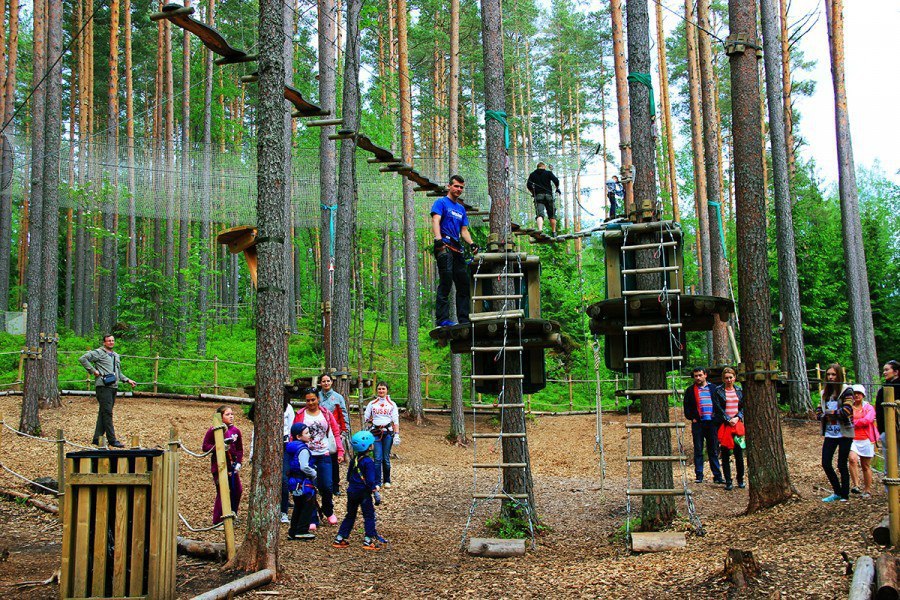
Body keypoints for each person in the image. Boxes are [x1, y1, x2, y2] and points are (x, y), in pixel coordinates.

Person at [293, 388, 344, 526]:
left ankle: (328, 511)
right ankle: (312, 517)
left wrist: (340, 451)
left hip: (324, 453)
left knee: (327, 486)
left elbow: (335, 431)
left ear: (318, 399)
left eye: (313, 399)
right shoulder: (300, 415)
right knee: (309, 487)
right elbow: (295, 434)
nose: (310, 403)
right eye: (308, 400)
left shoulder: (326, 413)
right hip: (307, 455)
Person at [431, 175, 478, 328]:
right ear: (449, 186)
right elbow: (436, 220)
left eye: (461, 187)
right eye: (456, 186)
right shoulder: (441, 202)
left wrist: (471, 243)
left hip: (457, 248)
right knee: (446, 282)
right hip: (444, 245)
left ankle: (464, 320)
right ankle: (442, 320)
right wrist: (438, 239)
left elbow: (463, 230)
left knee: (463, 284)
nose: (459, 189)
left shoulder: (461, 209)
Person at [79, 334, 137, 448]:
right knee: (108, 413)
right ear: (104, 342)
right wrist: (93, 371)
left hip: (113, 387)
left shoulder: (116, 355)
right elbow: (82, 359)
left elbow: (118, 373)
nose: (111, 342)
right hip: (103, 386)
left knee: (104, 412)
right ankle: (112, 440)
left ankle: (97, 438)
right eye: (109, 341)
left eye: (112, 340)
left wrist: (127, 380)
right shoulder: (98, 353)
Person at [333, 431, 385, 551]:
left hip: (352, 491)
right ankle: (368, 540)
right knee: (369, 515)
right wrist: (375, 488)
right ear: (367, 446)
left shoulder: (354, 460)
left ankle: (340, 538)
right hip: (364, 493)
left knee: (350, 515)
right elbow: (371, 479)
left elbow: (348, 476)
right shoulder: (368, 462)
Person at [201, 406, 244, 524]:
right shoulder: (214, 430)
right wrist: (218, 447)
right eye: (227, 414)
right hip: (219, 465)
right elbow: (205, 446)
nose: (231, 416)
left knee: (237, 490)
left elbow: (239, 449)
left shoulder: (236, 431)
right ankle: (217, 520)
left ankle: (232, 514)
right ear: (221, 416)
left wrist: (239, 462)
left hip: (233, 465)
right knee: (222, 491)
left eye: (232, 414)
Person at [817, 363, 853, 502]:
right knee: (826, 462)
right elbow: (819, 411)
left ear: (839, 375)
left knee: (841, 464)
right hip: (830, 433)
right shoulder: (824, 393)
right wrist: (824, 415)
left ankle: (845, 494)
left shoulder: (846, 391)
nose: (831, 377)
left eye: (833, 374)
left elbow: (847, 410)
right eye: (828, 375)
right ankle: (836, 491)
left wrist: (831, 413)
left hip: (844, 432)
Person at [683, 367, 724, 484]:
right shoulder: (690, 390)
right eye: (696, 376)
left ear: (705, 375)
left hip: (712, 423)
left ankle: (717, 476)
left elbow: (720, 405)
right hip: (698, 424)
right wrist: (693, 417)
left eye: (700, 375)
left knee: (713, 449)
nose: (698, 378)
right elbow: (687, 407)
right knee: (698, 449)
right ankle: (699, 475)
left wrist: (717, 419)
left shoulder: (714, 389)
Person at [712, 367, 745, 491]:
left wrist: (737, 417)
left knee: (739, 453)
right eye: (726, 378)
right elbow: (717, 407)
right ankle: (728, 481)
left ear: (734, 378)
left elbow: (743, 406)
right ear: (723, 379)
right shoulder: (718, 391)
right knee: (725, 454)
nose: (729, 380)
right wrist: (727, 419)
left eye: (731, 377)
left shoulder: (740, 390)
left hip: (737, 424)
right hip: (724, 425)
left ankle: (740, 479)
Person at [284, 422, 318, 540]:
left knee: (298, 505)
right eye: (307, 433)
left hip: (294, 482)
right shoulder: (303, 449)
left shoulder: (291, 447)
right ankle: (302, 530)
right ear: (299, 436)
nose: (309, 435)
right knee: (307, 505)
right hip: (303, 482)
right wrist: (313, 473)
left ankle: (293, 531)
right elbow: (304, 466)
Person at [318, 374, 349, 497]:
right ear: (320, 383)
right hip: (319, 432)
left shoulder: (338, 397)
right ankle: (321, 485)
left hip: (334, 432)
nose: (326, 383)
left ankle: (335, 486)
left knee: (334, 460)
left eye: (328, 381)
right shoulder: (317, 396)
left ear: (331, 382)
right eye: (323, 381)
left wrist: (344, 431)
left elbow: (344, 414)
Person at [365, 382, 400, 488]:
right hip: (375, 432)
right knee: (377, 458)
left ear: (387, 390)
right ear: (377, 390)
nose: (381, 391)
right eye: (379, 389)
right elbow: (366, 418)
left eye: (383, 389)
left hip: (388, 432)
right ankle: (377, 482)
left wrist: (397, 434)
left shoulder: (392, 404)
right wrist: (366, 429)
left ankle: (387, 480)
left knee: (386, 458)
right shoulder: (372, 403)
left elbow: (395, 420)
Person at [848, 384, 876, 499]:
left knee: (865, 465)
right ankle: (856, 485)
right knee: (852, 459)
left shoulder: (868, 407)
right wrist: (859, 421)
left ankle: (867, 490)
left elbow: (868, 420)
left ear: (863, 395)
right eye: (854, 393)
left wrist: (854, 422)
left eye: (859, 393)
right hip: (852, 438)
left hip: (866, 439)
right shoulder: (848, 407)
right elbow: (845, 419)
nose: (856, 395)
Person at [526, 162, 561, 236]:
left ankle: (540, 230)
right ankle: (554, 232)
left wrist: (533, 193)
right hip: (549, 196)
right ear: (544, 167)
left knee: (539, 215)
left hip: (538, 196)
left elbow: (528, 185)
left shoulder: (532, 174)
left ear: (537, 167)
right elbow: (556, 181)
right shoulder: (548, 173)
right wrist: (557, 188)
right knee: (552, 215)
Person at [875, 360, 900, 444]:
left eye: (886, 370)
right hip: (886, 430)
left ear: (896, 372)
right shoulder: (883, 390)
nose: (884, 372)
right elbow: (879, 412)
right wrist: (882, 430)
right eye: (884, 370)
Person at [280, 396, 296, 523]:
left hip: (285, 445)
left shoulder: (288, 408)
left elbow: (292, 428)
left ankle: (283, 511)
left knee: (284, 479)